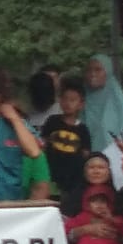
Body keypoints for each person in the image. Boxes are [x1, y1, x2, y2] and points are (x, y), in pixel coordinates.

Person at [41, 74, 92, 209]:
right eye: (64, 99)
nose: (68, 103)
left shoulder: (83, 129)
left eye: (73, 100)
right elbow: (43, 144)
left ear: (81, 104)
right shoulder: (52, 121)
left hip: (73, 178)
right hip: (51, 174)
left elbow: (86, 154)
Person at [83, 54, 123, 152]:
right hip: (85, 162)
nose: (92, 74)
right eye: (89, 70)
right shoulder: (79, 100)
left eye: (98, 70)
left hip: (113, 161)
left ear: (108, 72)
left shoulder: (118, 101)